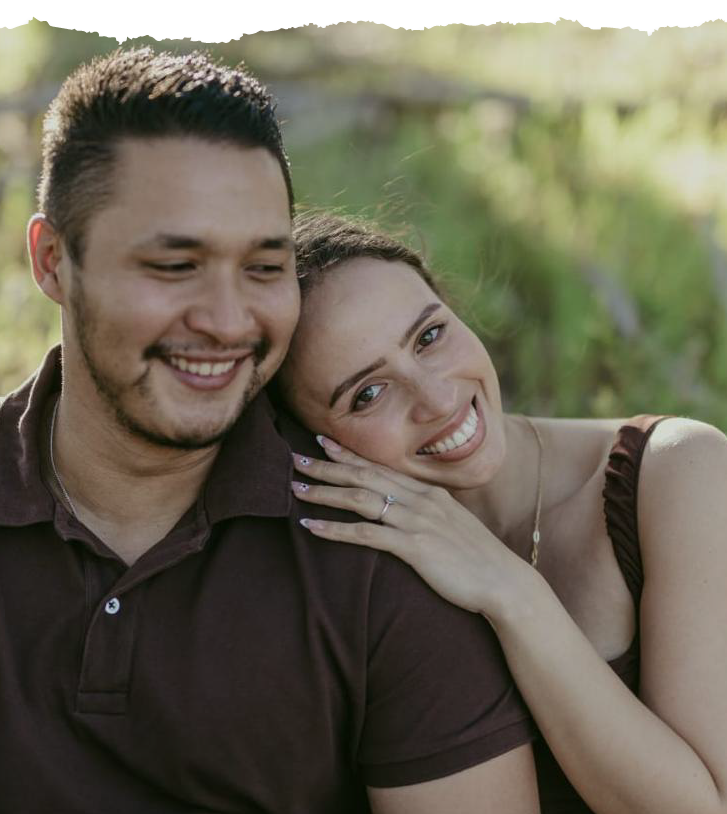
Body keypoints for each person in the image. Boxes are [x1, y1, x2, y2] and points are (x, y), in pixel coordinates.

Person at [0, 48, 541, 813]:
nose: (227, 322)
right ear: (53, 260)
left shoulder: (376, 556)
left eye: (262, 267)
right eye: (174, 265)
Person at [276, 212, 727, 814]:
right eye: (367, 393)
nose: (436, 399)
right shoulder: (341, 566)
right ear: (311, 442)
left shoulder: (677, 472)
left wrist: (514, 593)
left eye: (429, 336)